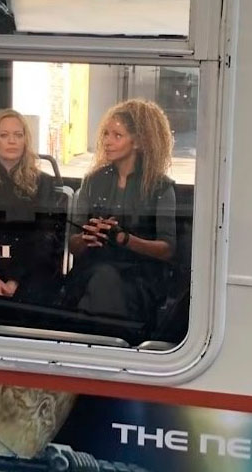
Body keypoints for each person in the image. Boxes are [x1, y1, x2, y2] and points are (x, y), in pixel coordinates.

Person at [66, 99, 177, 328]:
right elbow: (73, 244)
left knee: (105, 283)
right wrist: (87, 237)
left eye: (117, 136)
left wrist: (125, 239)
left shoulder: (160, 187)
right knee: (102, 278)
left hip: (139, 273)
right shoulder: (92, 181)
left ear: (137, 142)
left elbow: (167, 249)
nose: (107, 141)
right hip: (94, 267)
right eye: (106, 134)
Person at [0, 108, 63, 303]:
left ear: (25, 141)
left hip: (30, 269)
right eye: (4, 135)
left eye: (18, 135)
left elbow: (46, 239)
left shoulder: (43, 183)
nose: (12, 141)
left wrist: (15, 279)